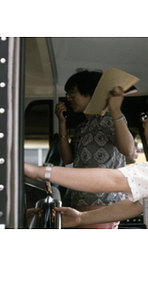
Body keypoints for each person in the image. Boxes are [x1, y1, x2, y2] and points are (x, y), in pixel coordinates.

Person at [24, 85, 148, 229]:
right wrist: (81, 218)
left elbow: (113, 180)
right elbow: (135, 205)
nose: (143, 123)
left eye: (146, 117)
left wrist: (40, 171)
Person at [53, 70, 135, 228]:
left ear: (91, 92)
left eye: (73, 92)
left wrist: (116, 112)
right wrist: (62, 123)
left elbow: (128, 149)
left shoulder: (110, 118)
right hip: (80, 203)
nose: (69, 98)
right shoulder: (82, 127)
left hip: (104, 204)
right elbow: (68, 158)